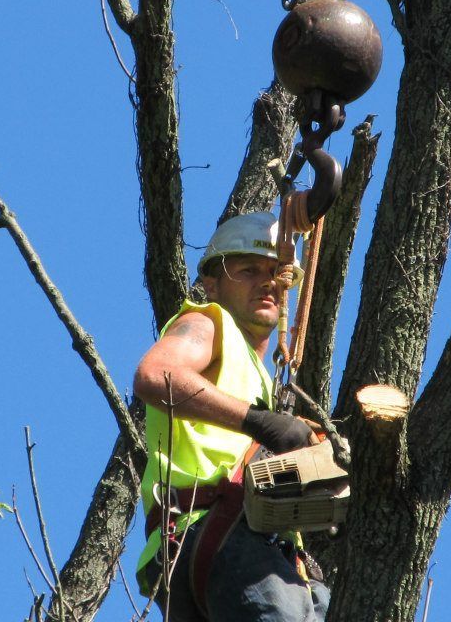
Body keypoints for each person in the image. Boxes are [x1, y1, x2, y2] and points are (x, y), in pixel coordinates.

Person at [133, 211, 329, 622]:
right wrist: (260, 422)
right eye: (248, 270)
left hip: (266, 557)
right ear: (212, 283)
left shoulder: (261, 377)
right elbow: (156, 375)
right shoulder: (208, 322)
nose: (268, 283)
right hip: (213, 533)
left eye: (277, 273)